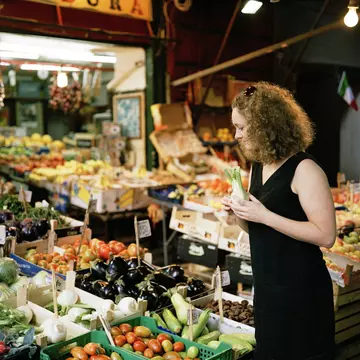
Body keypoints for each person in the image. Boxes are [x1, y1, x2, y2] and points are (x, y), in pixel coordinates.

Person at [222, 82, 336, 360]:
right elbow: (256, 228)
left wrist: (265, 215)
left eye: (242, 127)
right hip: (267, 289)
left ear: (264, 127)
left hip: (301, 292)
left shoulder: (305, 169)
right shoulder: (258, 166)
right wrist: (238, 214)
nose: (236, 135)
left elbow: (326, 235)